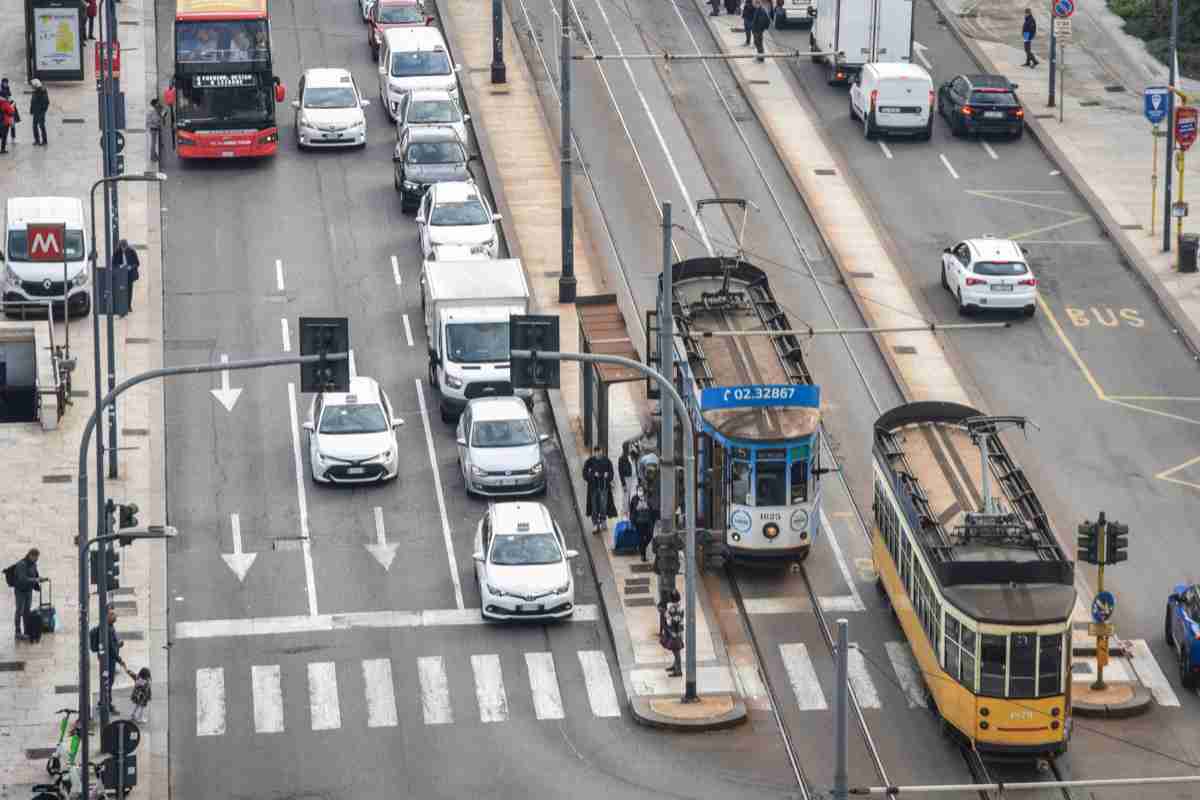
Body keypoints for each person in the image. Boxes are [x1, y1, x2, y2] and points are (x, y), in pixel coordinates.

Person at [90, 608, 127, 716]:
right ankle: (108, 705)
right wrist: (120, 660)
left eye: (114, 613)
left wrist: (118, 643)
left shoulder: (109, 627)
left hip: (106, 659)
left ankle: (102, 701)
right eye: (111, 614)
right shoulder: (107, 629)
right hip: (108, 661)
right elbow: (111, 648)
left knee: (106, 682)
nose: (114, 615)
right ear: (106, 617)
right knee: (108, 684)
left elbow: (112, 644)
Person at [582, 445, 616, 533]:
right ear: (594, 452)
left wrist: (608, 476)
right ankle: (595, 524)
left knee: (603, 506)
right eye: (596, 451)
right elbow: (585, 473)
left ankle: (603, 521)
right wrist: (593, 475)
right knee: (594, 507)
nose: (598, 453)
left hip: (603, 487)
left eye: (599, 451)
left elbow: (611, 472)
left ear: (601, 451)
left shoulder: (607, 461)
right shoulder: (590, 461)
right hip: (593, 488)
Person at [10, 549, 41, 640]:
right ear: (30, 555)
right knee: (19, 611)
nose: (36, 559)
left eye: (37, 558)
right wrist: (35, 580)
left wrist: (39, 579)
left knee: (27, 612)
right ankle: (18, 632)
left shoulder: (33, 564)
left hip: (28, 591)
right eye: (35, 557)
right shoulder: (21, 564)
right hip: (20, 591)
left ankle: (27, 631)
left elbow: (35, 575)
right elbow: (22, 579)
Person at [629, 488, 658, 562]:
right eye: (639, 490)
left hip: (648, 522)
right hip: (639, 522)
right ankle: (643, 555)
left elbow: (653, 509)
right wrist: (632, 522)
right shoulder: (634, 499)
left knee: (649, 536)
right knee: (641, 538)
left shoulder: (649, 498)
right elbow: (632, 511)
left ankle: (642, 549)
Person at [112, 239, 140, 314]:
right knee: (121, 290)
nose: (124, 249)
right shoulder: (117, 253)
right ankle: (121, 306)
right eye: (122, 248)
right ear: (120, 247)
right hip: (120, 274)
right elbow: (113, 263)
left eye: (125, 248)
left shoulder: (132, 251)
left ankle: (128, 306)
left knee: (129, 290)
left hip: (129, 274)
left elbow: (137, 263)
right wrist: (120, 266)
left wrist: (130, 267)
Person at [30, 79, 49, 146]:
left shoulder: (42, 91)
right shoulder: (34, 91)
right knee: (34, 126)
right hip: (35, 112)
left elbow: (46, 102)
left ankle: (44, 141)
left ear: (36, 85)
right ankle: (37, 140)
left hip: (40, 112)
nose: (31, 86)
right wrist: (31, 110)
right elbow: (32, 102)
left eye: (32, 85)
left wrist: (42, 111)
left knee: (42, 126)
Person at [146, 98, 164, 162]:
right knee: (153, 143)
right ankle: (152, 157)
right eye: (158, 103)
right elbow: (155, 120)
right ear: (155, 103)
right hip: (153, 128)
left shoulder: (151, 109)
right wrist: (160, 117)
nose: (158, 104)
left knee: (154, 142)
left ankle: (154, 154)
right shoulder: (153, 110)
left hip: (152, 127)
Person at [0, 78, 16, 143]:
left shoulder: (7, 89)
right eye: (5, 83)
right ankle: (3, 139)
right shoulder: (1, 90)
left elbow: (10, 97)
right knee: (4, 126)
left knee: (12, 125)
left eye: (7, 83)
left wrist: (11, 102)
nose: (6, 84)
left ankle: (13, 137)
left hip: (9, 109)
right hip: (4, 112)